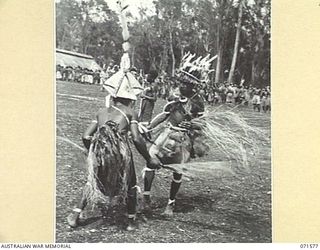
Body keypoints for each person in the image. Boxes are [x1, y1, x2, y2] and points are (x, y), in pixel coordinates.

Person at [67, 94, 161, 231]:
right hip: (121, 154)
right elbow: (136, 138)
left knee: (92, 181)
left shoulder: (101, 112)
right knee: (131, 185)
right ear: (130, 99)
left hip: (100, 153)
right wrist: (149, 159)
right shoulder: (130, 113)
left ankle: (75, 215)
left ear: (113, 97)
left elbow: (85, 136)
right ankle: (130, 222)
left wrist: (93, 152)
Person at [142, 52, 214, 217]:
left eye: (185, 84)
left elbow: (203, 122)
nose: (181, 85)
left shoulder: (197, 102)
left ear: (192, 86)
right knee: (150, 161)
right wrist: (149, 127)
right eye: (181, 82)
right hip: (166, 134)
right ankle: (145, 197)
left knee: (178, 171)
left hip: (183, 139)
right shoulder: (175, 96)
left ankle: (170, 204)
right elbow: (165, 114)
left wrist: (192, 124)